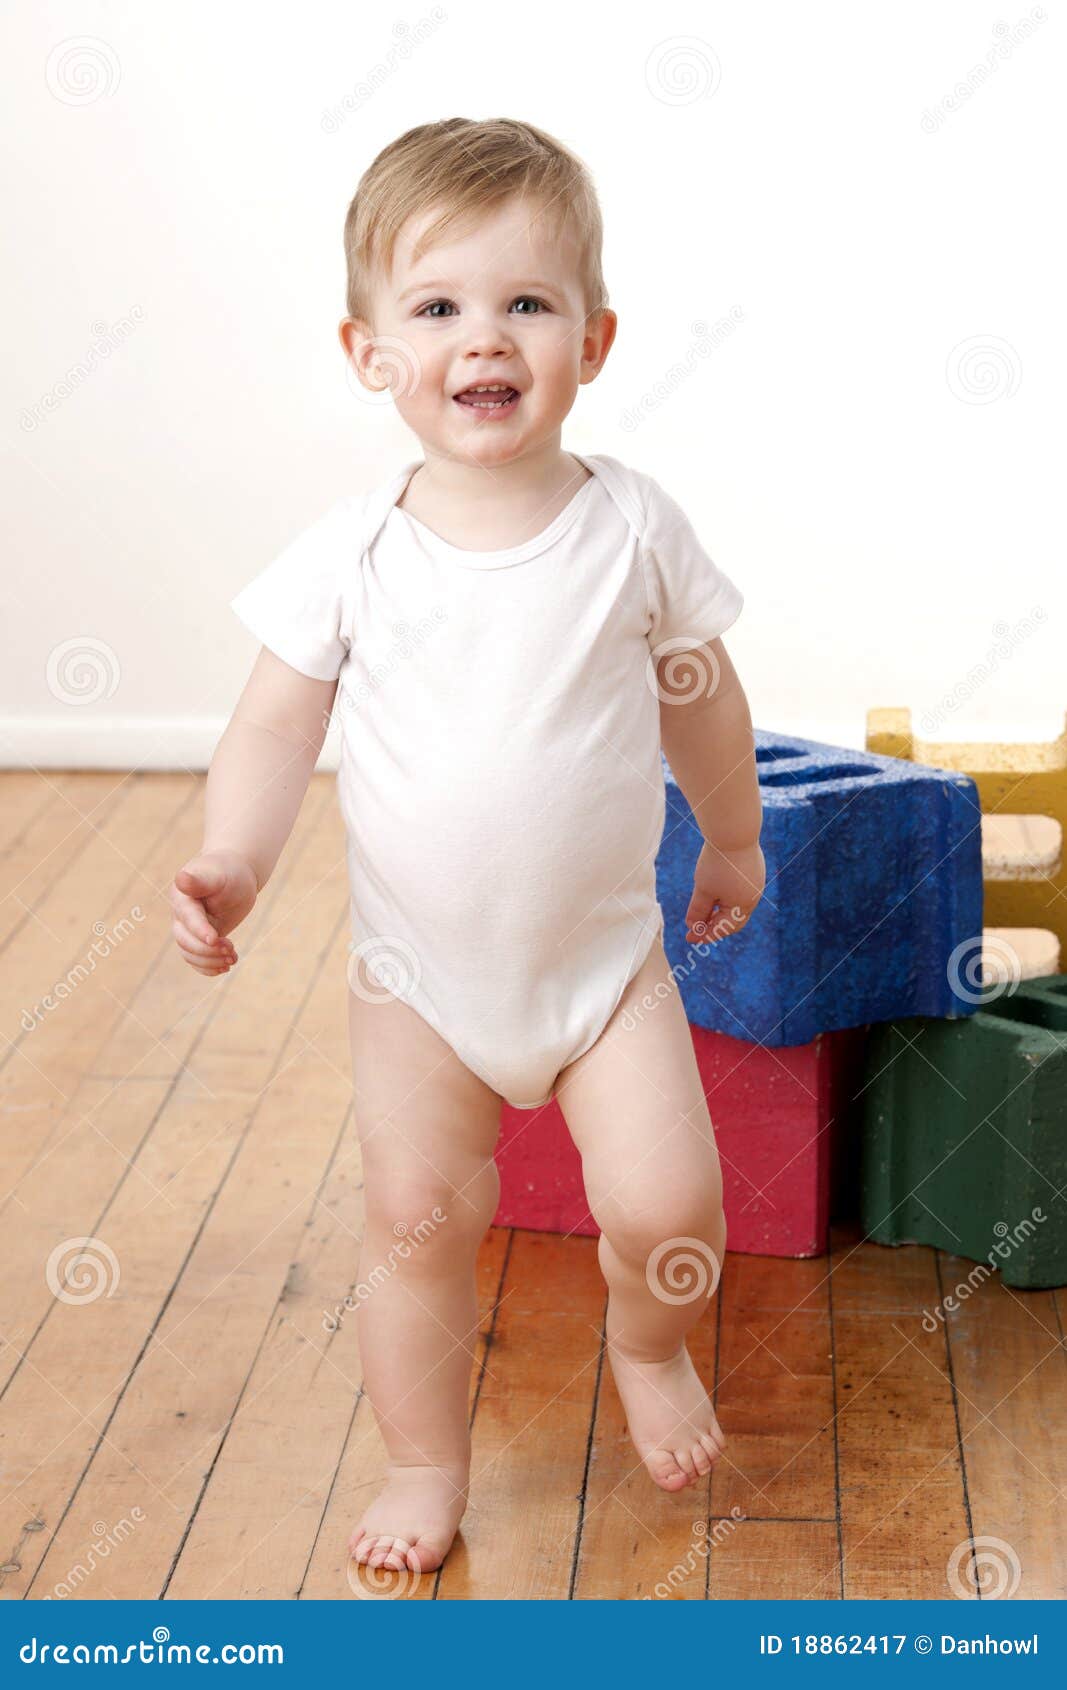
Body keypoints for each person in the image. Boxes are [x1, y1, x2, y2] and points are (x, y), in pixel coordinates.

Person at [168, 117, 765, 1579]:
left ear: (595, 339)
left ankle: (647, 1344)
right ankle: (426, 1457)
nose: (481, 339)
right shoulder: (352, 552)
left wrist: (734, 838)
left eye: (526, 304)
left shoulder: (629, 527)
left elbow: (700, 691)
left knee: (673, 1205)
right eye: (437, 308)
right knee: (415, 1222)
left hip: (606, 967)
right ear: (371, 352)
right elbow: (268, 730)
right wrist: (232, 861)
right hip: (416, 982)